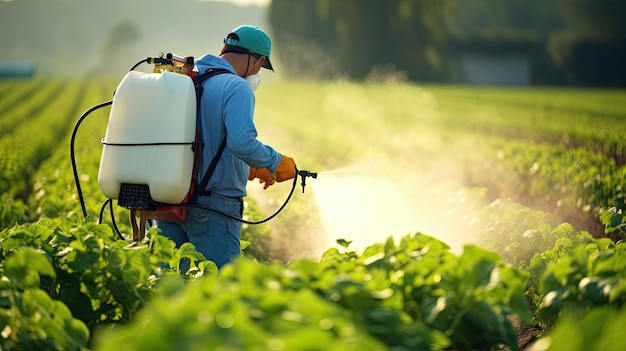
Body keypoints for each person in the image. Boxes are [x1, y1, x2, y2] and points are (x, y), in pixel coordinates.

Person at [156, 25, 296, 269]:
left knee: (170, 289)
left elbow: (203, 138)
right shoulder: (236, 87)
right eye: (261, 66)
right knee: (219, 290)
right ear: (257, 60)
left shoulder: (188, 78)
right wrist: (276, 162)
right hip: (213, 207)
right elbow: (241, 143)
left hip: (167, 200)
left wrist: (249, 169)